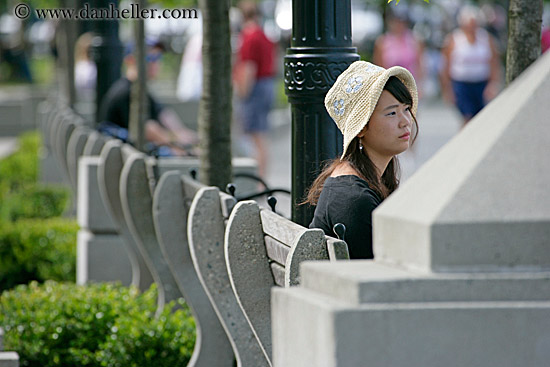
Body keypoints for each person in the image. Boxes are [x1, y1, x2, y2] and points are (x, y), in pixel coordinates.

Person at [306, 61, 418, 259]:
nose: (405, 121)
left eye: (406, 109)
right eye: (392, 113)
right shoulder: (354, 201)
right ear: (362, 128)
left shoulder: (357, 180)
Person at [98, 40, 198, 156]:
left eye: (158, 58)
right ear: (130, 60)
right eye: (150, 58)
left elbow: (166, 117)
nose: (156, 63)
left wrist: (190, 138)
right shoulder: (126, 91)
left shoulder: (141, 90)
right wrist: (183, 149)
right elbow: (149, 130)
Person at [233, 0, 275, 178]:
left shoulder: (249, 36)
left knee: (255, 137)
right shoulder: (264, 35)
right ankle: (260, 176)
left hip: (256, 88)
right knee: (259, 135)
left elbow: (248, 67)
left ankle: (259, 178)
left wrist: (242, 91)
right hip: (266, 85)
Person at [441, 6, 501, 124]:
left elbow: (494, 63)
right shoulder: (454, 39)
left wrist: (493, 84)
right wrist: (447, 89)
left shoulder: (486, 38)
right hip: (461, 84)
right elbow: (446, 65)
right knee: (467, 117)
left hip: (481, 83)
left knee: (480, 117)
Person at [373, 8, 424, 95]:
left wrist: (420, 85)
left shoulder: (414, 40)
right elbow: (378, 66)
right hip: (391, 85)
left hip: (410, 83)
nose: (399, 25)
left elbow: (420, 64)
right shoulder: (383, 42)